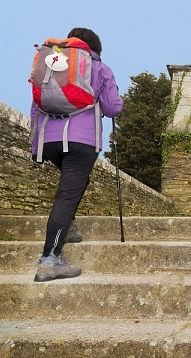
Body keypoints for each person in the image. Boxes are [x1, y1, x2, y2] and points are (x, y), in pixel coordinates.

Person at [30, 27, 124, 282]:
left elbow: (36, 105)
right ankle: (50, 260)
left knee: (77, 182)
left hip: (49, 140)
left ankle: (67, 228)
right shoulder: (100, 68)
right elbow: (113, 108)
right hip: (81, 141)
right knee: (67, 194)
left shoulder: (50, 63)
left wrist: (35, 144)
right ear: (94, 47)